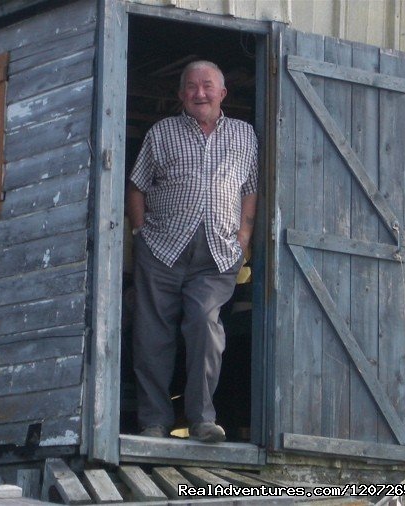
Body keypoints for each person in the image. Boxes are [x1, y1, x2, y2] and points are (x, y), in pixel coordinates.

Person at [127, 60, 258, 443]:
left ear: (222, 93)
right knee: (152, 334)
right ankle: (154, 421)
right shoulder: (161, 133)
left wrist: (244, 236)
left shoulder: (245, 135)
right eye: (191, 87)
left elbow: (250, 187)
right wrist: (139, 232)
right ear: (181, 94)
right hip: (162, 247)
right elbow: (137, 186)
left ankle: (201, 419)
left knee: (204, 323)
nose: (199, 93)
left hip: (218, 251)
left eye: (207, 86)